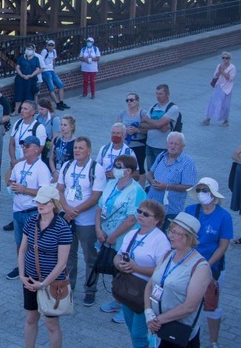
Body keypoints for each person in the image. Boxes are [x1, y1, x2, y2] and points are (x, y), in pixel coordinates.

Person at [144, 213, 212, 348]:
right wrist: (148, 312)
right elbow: (150, 284)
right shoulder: (168, 254)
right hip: (157, 327)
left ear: (189, 238)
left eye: (176, 233)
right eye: (170, 231)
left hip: (177, 332)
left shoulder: (200, 267)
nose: (170, 236)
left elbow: (189, 307)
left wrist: (158, 320)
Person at [17, 185, 72, 348]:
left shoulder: (62, 228)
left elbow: (62, 263)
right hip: (30, 279)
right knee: (31, 319)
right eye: (38, 201)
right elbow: (22, 250)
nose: (40, 205)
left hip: (52, 282)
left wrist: (44, 283)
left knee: (51, 324)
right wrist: (22, 275)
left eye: (44, 202)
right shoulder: (31, 221)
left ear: (54, 204)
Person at [95, 154, 146, 323]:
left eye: (118, 166)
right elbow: (100, 207)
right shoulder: (111, 184)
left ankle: (127, 306)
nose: (114, 168)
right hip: (106, 236)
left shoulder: (136, 190)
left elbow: (132, 219)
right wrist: (98, 230)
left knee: (125, 272)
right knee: (114, 270)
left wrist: (113, 236)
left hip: (124, 239)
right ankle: (117, 301)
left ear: (128, 171)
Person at [113, 200, 171, 348]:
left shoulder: (160, 240)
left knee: (138, 334)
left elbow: (163, 271)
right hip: (128, 288)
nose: (140, 215)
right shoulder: (132, 233)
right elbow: (118, 255)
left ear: (157, 220)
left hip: (145, 292)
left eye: (146, 214)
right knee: (132, 329)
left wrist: (135, 268)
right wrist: (119, 264)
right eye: (139, 211)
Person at [57, 136, 106, 307]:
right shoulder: (67, 166)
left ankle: (90, 290)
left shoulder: (96, 169)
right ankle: (69, 287)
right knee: (68, 256)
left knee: (89, 257)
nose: (77, 150)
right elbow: (60, 189)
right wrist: (66, 210)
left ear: (89, 151)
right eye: (76, 147)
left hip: (86, 221)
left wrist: (75, 211)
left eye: (81, 148)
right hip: (67, 219)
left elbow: (95, 196)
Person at [185, 177, 232, 348]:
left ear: (213, 194)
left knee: (212, 305)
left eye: (205, 190)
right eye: (199, 190)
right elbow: (182, 236)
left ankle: (213, 341)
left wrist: (206, 266)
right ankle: (186, 335)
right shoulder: (190, 210)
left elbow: (223, 246)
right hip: (189, 265)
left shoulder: (224, 216)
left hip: (213, 267)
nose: (201, 194)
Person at [6, 136, 53, 280]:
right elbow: (11, 180)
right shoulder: (20, 166)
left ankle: (34, 269)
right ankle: (21, 267)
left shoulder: (42, 169)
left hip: (32, 212)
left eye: (27, 146)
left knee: (33, 244)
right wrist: (12, 185)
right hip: (18, 210)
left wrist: (24, 189)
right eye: (23, 146)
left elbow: (45, 192)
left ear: (37, 149)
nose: (24, 148)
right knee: (19, 243)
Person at [145, 132, 197, 229]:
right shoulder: (162, 156)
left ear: (182, 146)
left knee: (166, 237)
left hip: (170, 211)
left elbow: (189, 186)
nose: (172, 146)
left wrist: (167, 187)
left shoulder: (187, 163)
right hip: (151, 207)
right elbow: (149, 173)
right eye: (171, 143)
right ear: (166, 144)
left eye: (176, 144)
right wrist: (152, 181)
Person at [140, 84, 180, 171]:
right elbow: (142, 124)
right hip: (149, 145)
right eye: (157, 94)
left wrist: (148, 120)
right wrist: (158, 126)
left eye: (160, 94)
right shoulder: (153, 107)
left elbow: (155, 123)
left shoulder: (173, 108)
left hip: (163, 147)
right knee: (150, 171)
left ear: (167, 94)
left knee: (161, 171)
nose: (158, 96)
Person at [202, 52, 236, 127]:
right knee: (213, 102)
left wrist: (223, 71)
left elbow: (230, 78)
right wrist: (219, 72)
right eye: (223, 58)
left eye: (227, 58)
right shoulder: (219, 66)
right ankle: (208, 119)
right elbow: (215, 75)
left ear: (230, 59)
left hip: (227, 88)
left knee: (225, 105)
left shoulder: (232, 68)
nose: (225, 59)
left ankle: (226, 121)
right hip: (218, 86)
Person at [117, 93, 147, 177]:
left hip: (139, 144)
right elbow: (117, 127)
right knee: (124, 166)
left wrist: (137, 130)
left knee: (139, 167)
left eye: (131, 100)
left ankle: (140, 187)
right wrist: (124, 130)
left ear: (137, 101)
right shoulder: (122, 113)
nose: (129, 102)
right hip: (126, 144)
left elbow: (148, 129)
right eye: (127, 100)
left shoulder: (143, 113)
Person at [39, 39, 69, 110]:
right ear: (47, 46)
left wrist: (53, 68)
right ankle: (57, 103)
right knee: (51, 88)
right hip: (45, 71)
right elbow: (41, 61)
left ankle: (61, 102)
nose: (51, 47)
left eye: (52, 45)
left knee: (61, 85)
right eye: (49, 45)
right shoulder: (44, 51)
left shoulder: (54, 51)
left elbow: (54, 60)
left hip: (51, 70)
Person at [13, 44, 42, 114]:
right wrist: (22, 75)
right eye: (28, 48)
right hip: (21, 79)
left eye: (30, 49)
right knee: (18, 94)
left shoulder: (36, 59)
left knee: (29, 96)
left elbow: (38, 69)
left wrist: (31, 75)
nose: (29, 50)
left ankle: (29, 111)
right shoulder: (21, 57)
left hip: (31, 80)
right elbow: (17, 67)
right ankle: (16, 110)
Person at [49, 115, 76, 184]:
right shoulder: (57, 139)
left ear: (71, 127)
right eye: (61, 124)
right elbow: (51, 158)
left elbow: (75, 162)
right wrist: (54, 172)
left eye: (65, 125)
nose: (62, 127)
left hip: (67, 174)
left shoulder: (75, 143)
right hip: (55, 172)